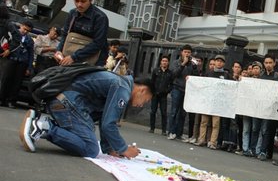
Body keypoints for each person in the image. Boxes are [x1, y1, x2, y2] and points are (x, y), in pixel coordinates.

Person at [19, 70, 154, 158]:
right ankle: (44, 127)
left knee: (89, 132)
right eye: (146, 100)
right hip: (66, 103)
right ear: (142, 90)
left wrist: (109, 148)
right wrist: (124, 148)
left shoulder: (120, 82)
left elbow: (104, 117)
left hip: (61, 102)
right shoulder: (123, 88)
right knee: (90, 149)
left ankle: (41, 121)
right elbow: (109, 124)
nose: (142, 104)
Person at [57, 0, 109, 66]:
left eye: (83, 1)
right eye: (76, 1)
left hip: (93, 63)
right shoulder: (72, 13)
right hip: (69, 60)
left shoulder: (100, 17)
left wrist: (74, 57)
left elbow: (98, 43)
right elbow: (65, 35)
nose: (79, 4)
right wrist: (58, 50)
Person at [195, 55, 231, 149]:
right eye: (217, 61)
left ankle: (212, 142)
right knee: (204, 122)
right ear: (214, 62)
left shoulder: (226, 75)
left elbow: (232, 87)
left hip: (218, 104)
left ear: (223, 63)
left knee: (215, 124)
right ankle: (201, 140)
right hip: (207, 102)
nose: (219, 63)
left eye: (221, 61)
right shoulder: (208, 73)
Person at [0, 20, 35, 108]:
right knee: (5, 79)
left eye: (28, 30)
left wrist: (29, 67)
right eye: (24, 29)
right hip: (11, 59)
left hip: (22, 62)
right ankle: (1, 99)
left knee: (17, 83)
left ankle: (11, 101)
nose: (25, 31)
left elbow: (31, 54)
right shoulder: (12, 34)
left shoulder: (30, 40)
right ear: (21, 26)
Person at [168, 44, 199, 140]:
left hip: (187, 91)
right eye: (185, 52)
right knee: (174, 111)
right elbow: (173, 74)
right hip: (176, 88)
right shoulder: (176, 63)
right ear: (181, 53)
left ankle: (179, 133)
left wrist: (195, 67)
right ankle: (171, 132)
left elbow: (196, 76)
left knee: (182, 113)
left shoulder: (192, 64)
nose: (187, 54)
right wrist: (183, 64)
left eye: (189, 52)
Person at [149, 55, 173, 135]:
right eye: (163, 61)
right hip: (155, 94)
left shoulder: (170, 73)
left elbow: (171, 84)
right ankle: (152, 128)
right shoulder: (156, 70)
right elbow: (152, 82)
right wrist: (153, 91)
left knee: (164, 112)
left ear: (168, 62)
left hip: (163, 95)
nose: (164, 62)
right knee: (153, 111)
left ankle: (163, 130)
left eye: (166, 61)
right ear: (160, 62)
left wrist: (167, 91)